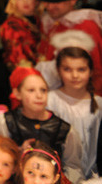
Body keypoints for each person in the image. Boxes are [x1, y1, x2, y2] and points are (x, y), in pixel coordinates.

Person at [0, 68, 82, 183]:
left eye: (43, 90)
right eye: (31, 90)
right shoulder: (6, 121)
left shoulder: (64, 129)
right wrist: (18, 153)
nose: (39, 95)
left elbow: (73, 168)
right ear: (17, 93)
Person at [31, 0, 102, 94]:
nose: (49, 7)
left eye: (56, 2)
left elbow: (97, 72)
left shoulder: (86, 26)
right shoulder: (50, 22)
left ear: (73, 0)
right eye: (46, 1)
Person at [46, 41, 102, 181]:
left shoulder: (99, 104)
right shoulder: (50, 100)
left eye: (81, 69)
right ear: (58, 70)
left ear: (91, 71)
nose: (75, 75)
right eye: (68, 69)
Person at [0, 0, 41, 72]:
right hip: (25, 71)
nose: (25, 2)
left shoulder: (39, 19)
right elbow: (16, 57)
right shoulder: (11, 25)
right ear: (14, 2)